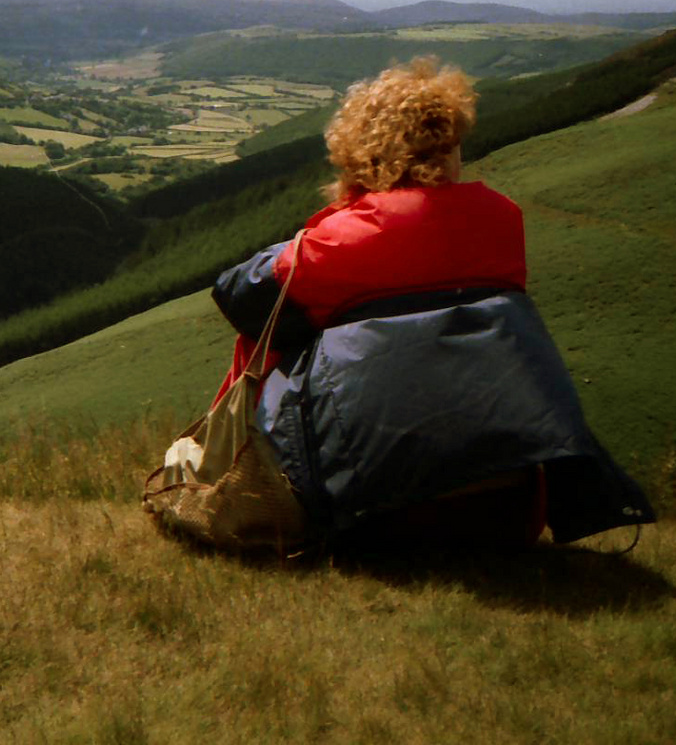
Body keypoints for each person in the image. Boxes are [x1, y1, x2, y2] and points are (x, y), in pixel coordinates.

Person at [212, 57, 653, 546]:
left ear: (362, 152)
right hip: (509, 517)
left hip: (368, 518)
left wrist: (327, 221)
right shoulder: (503, 219)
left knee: (273, 331)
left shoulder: (340, 239)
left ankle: (233, 477)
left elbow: (239, 294)